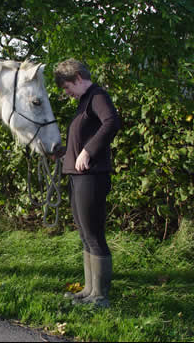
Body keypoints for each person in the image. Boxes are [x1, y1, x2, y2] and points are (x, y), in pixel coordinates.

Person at [52, 58, 121, 308]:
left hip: (92, 176)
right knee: (84, 234)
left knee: (94, 235)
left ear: (78, 78)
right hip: (78, 177)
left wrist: (88, 151)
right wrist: (62, 153)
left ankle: (101, 297)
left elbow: (112, 122)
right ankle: (89, 291)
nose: (66, 92)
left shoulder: (97, 96)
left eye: (67, 86)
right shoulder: (84, 101)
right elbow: (79, 141)